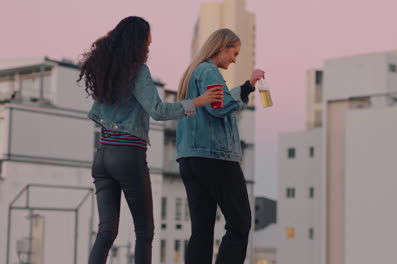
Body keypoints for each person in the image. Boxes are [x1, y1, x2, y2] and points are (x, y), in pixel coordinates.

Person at [77, 16, 223, 264]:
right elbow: (158, 110)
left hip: (102, 156)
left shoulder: (107, 70)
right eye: (147, 44)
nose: (148, 50)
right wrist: (197, 102)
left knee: (106, 230)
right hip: (128, 156)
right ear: (136, 43)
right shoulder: (137, 70)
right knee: (144, 231)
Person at [176, 28, 264, 264]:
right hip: (215, 157)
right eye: (234, 52)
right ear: (222, 47)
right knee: (240, 223)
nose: (235, 59)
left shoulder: (193, 73)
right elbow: (220, 106)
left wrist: (244, 89)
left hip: (190, 158)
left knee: (202, 230)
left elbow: (213, 104)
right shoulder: (208, 71)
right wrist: (247, 87)